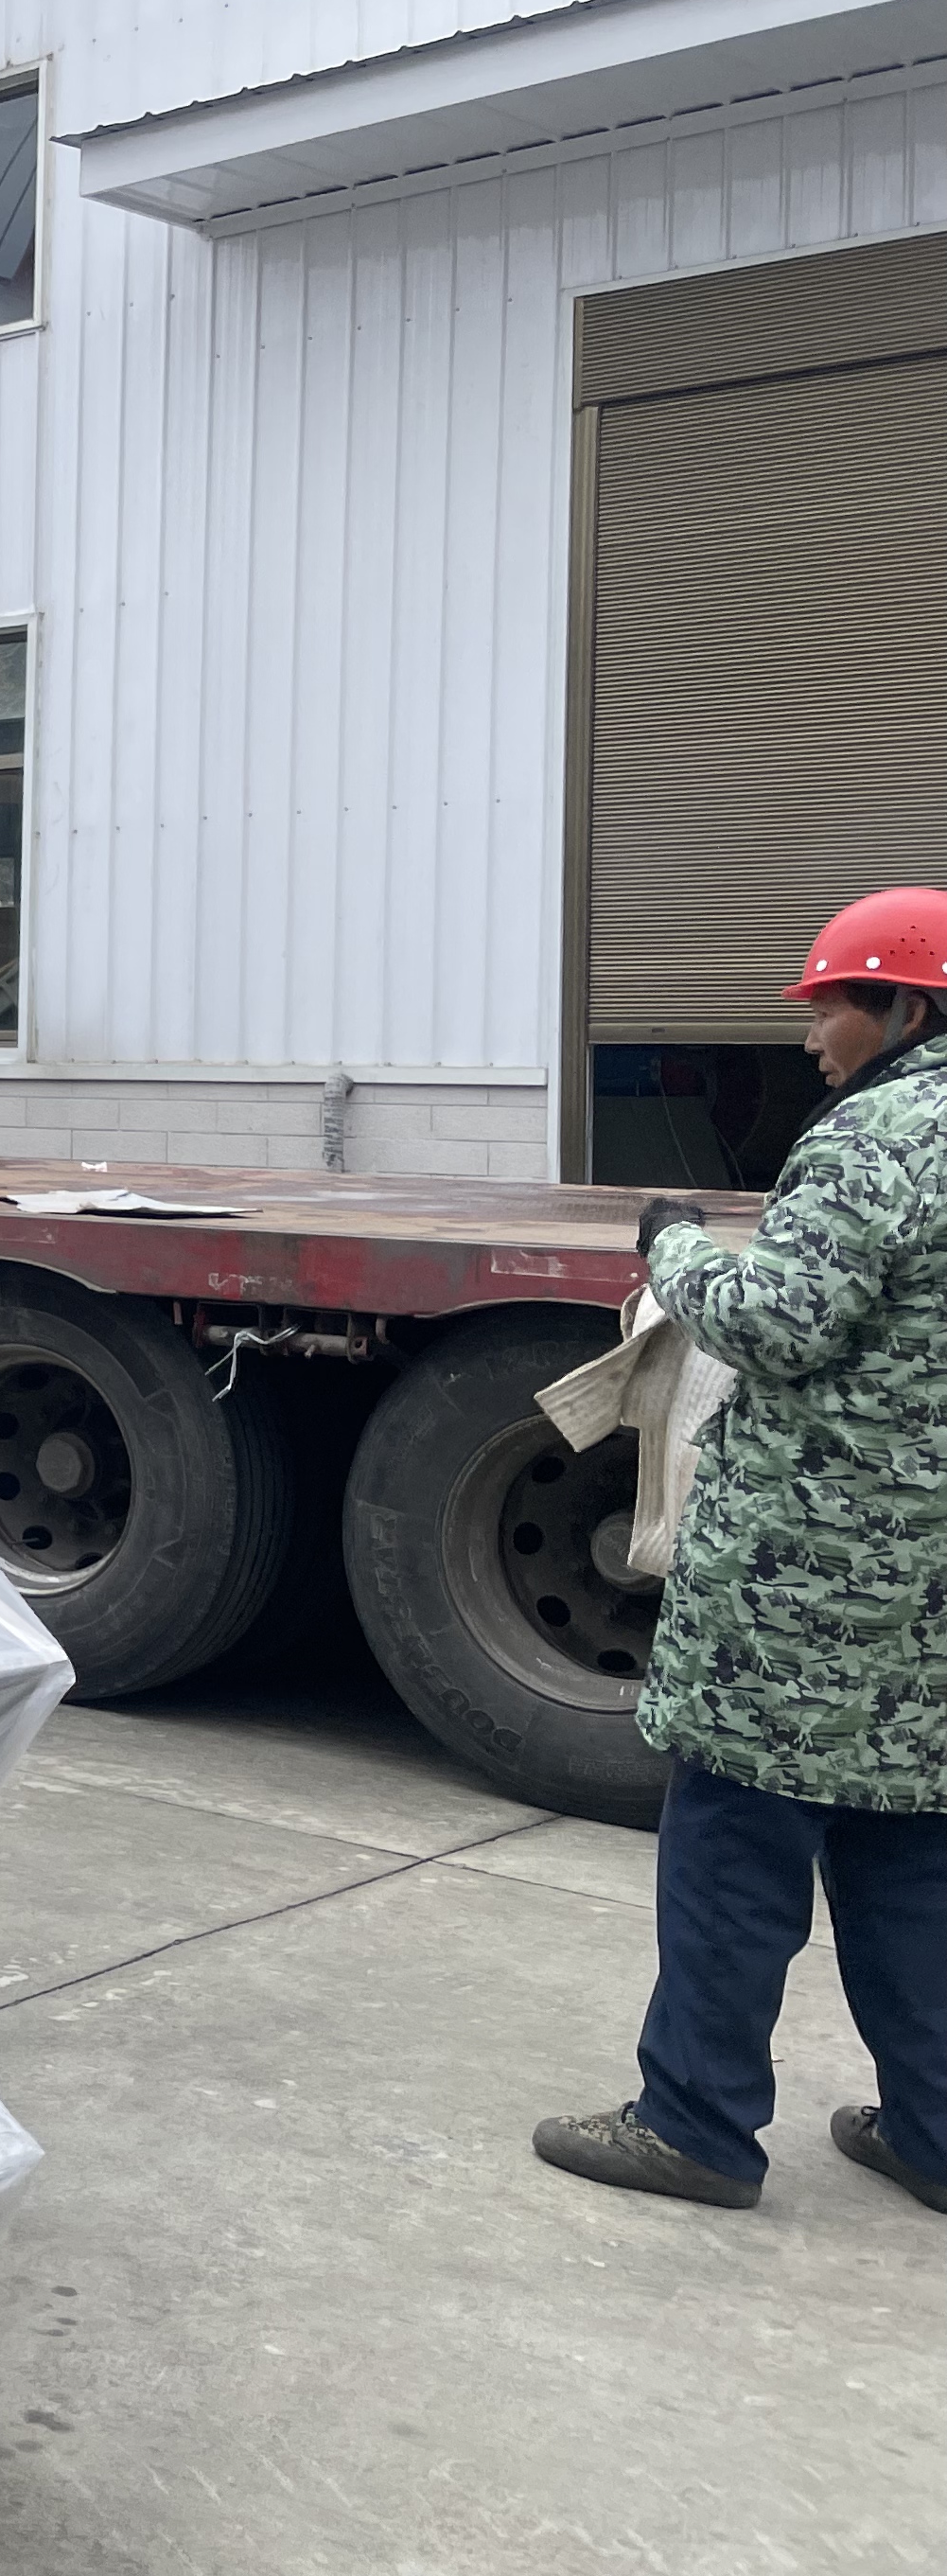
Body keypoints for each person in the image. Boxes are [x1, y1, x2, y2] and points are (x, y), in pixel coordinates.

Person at [534, 885, 947, 2219]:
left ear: (905, 1007)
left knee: (733, 1845)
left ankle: (695, 2128)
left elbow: (779, 1323)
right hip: (931, 1598)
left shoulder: (875, 1138)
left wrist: (675, 1246)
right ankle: (938, 2134)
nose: (811, 1035)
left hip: (804, 1582)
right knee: (909, 1855)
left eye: (828, 1007)